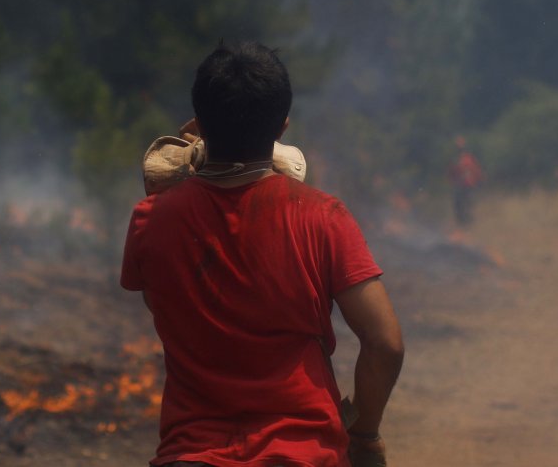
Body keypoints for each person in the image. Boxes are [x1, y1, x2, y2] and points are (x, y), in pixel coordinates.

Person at [121, 41, 404, 467]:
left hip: (191, 454)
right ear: (282, 128)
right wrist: (363, 434)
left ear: (197, 124)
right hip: (305, 454)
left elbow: (162, 305)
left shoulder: (151, 220)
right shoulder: (323, 217)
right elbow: (385, 344)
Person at [447, 136, 483, 227]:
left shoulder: (467, 159)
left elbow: (477, 173)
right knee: (460, 206)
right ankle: (464, 225)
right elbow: (451, 173)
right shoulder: (458, 159)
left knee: (465, 206)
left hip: (467, 186)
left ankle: (467, 226)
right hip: (463, 186)